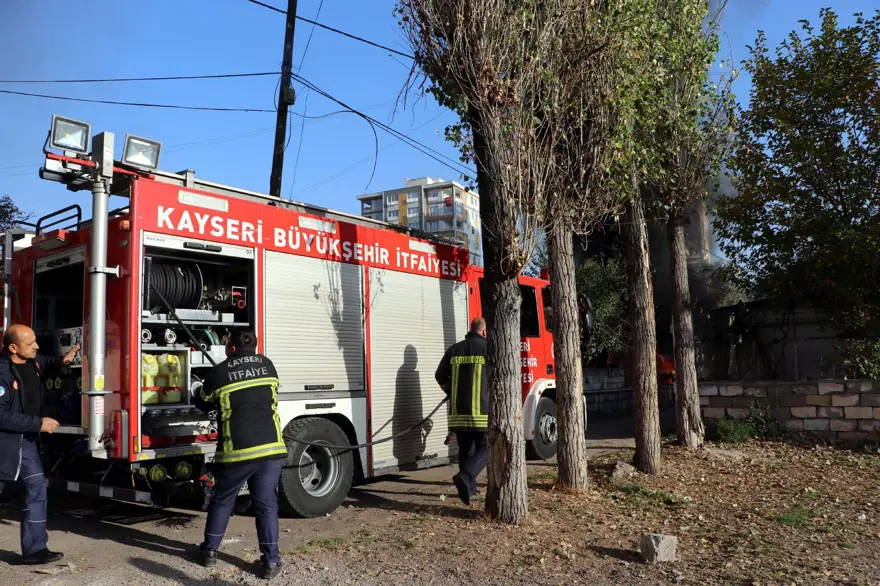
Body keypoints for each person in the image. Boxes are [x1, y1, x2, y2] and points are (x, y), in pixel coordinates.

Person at [194, 327, 288, 580]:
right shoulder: (268, 366)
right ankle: (271, 562)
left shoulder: (219, 372)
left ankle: (209, 553)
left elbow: (202, 401)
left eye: (226, 342)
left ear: (232, 348)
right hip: (271, 450)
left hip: (237, 453)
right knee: (266, 504)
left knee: (223, 500)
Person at [0, 324, 78, 565]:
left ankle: (35, 550)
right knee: (30, 489)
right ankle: (35, 549)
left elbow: (46, 363)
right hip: (9, 442)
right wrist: (38, 423)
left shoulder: (32, 361)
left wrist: (62, 361)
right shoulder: (2, 373)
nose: (36, 346)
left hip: (27, 442)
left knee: (36, 489)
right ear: (13, 347)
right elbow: (1, 415)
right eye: (30, 343)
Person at [435, 317, 490, 505]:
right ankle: (465, 477)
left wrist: (450, 390)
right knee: (486, 448)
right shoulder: (488, 349)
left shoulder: (455, 349)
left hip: (459, 413)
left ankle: (470, 490)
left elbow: (439, 375)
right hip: (481, 413)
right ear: (484, 332)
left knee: (466, 449)